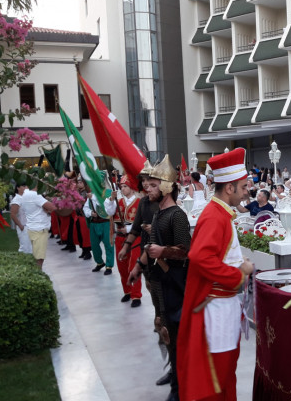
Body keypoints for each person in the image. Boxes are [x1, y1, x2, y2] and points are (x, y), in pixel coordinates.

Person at [177, 148, 255, 401]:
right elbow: (200, 256)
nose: (247, 191)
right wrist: (238, 273)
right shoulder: (214, 216)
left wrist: (238, 263)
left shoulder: (221, 213)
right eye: (243, 186)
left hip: (225, 305)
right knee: (217, 377)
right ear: (229, 188)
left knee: (226, 372)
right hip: (217, 309)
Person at [129, 156, 191, 401]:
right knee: (164, 330)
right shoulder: (158, 215)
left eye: (154, 185)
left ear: (166, 187)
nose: (148, 188)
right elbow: (151, 247)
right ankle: (174, 375)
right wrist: (138, 266)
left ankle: (179, 389)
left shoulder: (177, 215)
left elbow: (185, 251)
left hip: (174, 285)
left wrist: (163, 251)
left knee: (176, 336)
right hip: (160, 282)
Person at [112, 175, 143, 308]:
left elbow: (142, 221)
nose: (123, 189)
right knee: (122, 266)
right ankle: (127, 291)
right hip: (120, 237)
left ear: (131, 187)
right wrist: (111, 200)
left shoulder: (139, 202)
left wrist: (129, 228)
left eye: (125, 186)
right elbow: (109, 212)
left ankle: (136, 295)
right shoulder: (117, 201)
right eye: (121, 187)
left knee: (134, 265)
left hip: (135, 238)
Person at [83, 179, 117, 274]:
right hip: (94, 223)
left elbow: (104, 205)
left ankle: (109, 266)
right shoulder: (92, 194)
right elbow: (85, 207)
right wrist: (90, 213)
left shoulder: (109, 193)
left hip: (105, 223)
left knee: (108, 245)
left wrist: (93, 198)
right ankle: (99, 262)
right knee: (94, 245)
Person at [23, 184, 57, 269]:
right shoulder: (35, 195)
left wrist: (45, 207)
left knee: (36, 254)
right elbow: (52, 207)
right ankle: (38, 273)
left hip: (32, 227)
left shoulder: (24, 193)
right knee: (39, 257)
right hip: (39, 229)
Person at [9, 182, 32, 254]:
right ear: (18, 188)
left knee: (32, 248)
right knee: (25, 248)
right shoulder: (17, 199)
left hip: (31, 226)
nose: (26, 188)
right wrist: (20, 226)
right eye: (23, 186)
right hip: (24, 227)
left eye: (27, 186)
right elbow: (13, 215)